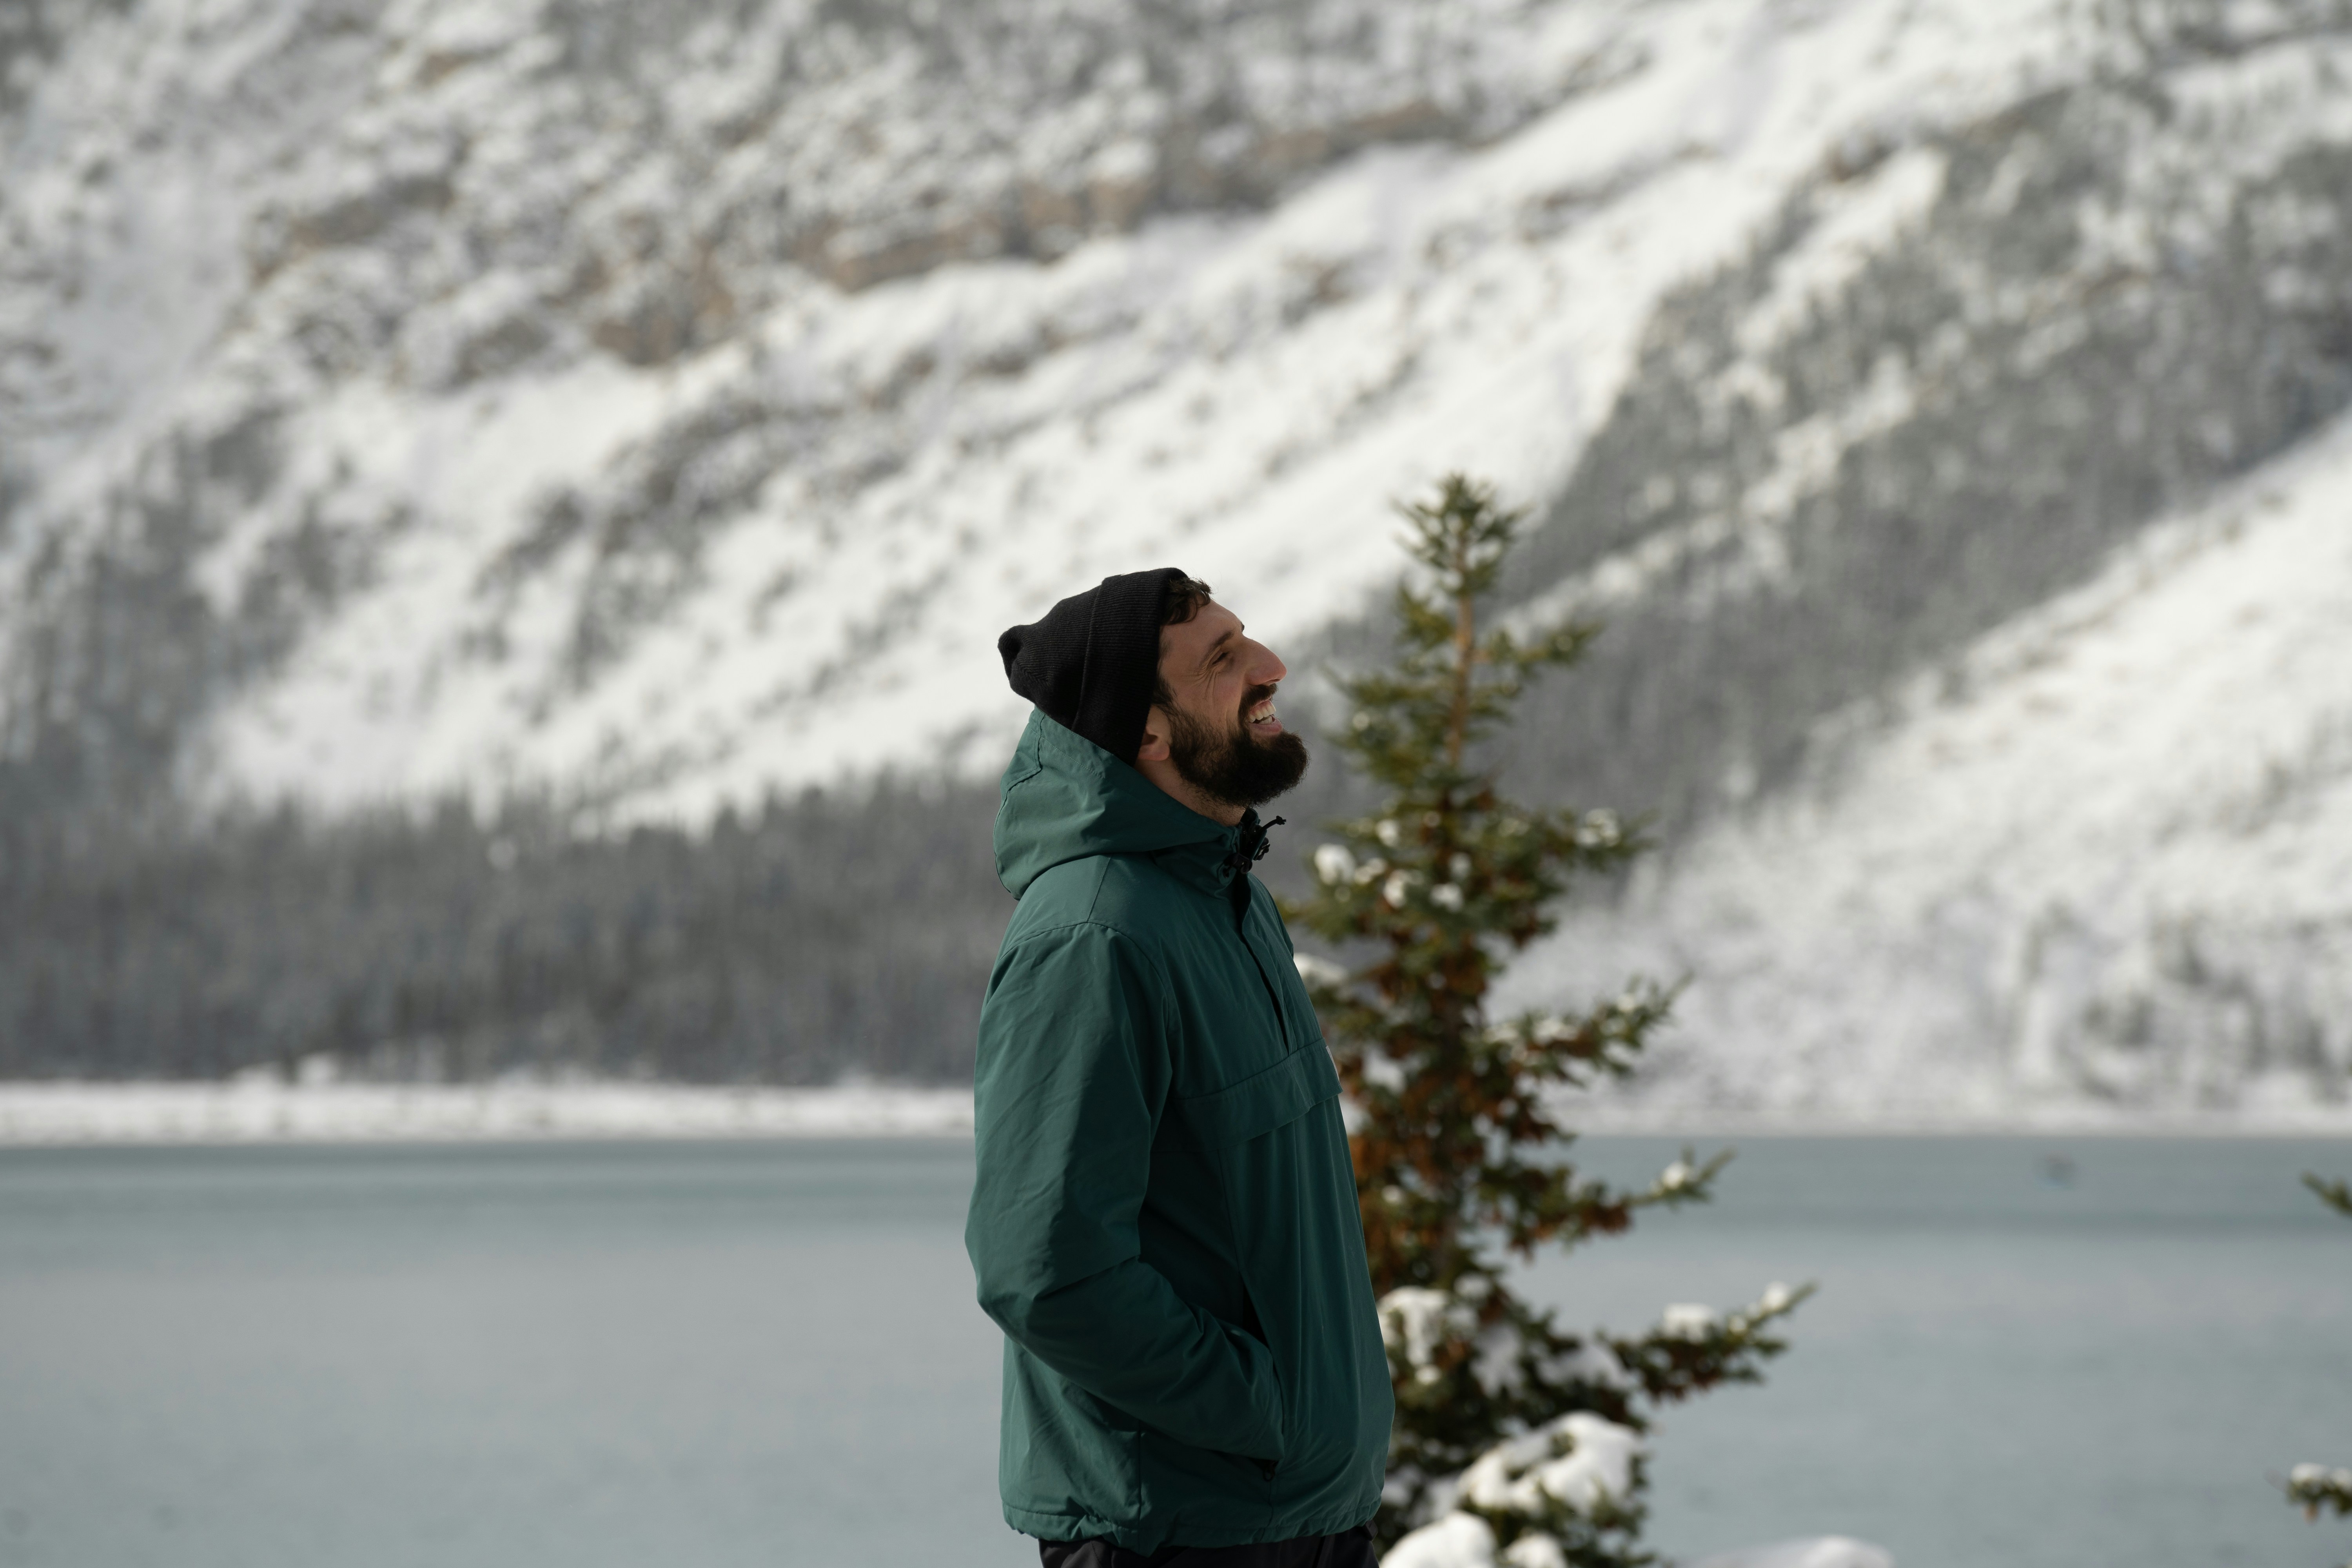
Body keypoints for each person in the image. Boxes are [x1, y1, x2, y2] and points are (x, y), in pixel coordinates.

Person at [966, 569, 1392, 1568]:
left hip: (1293, 1520)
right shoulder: (1096, 934)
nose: (1270, 665)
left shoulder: (1224, 902)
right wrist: (1269, 1407)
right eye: (1223, 656)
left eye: (1246, 637)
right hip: (1177, 1532)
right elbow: (1046, 1270)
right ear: (1147, 731)